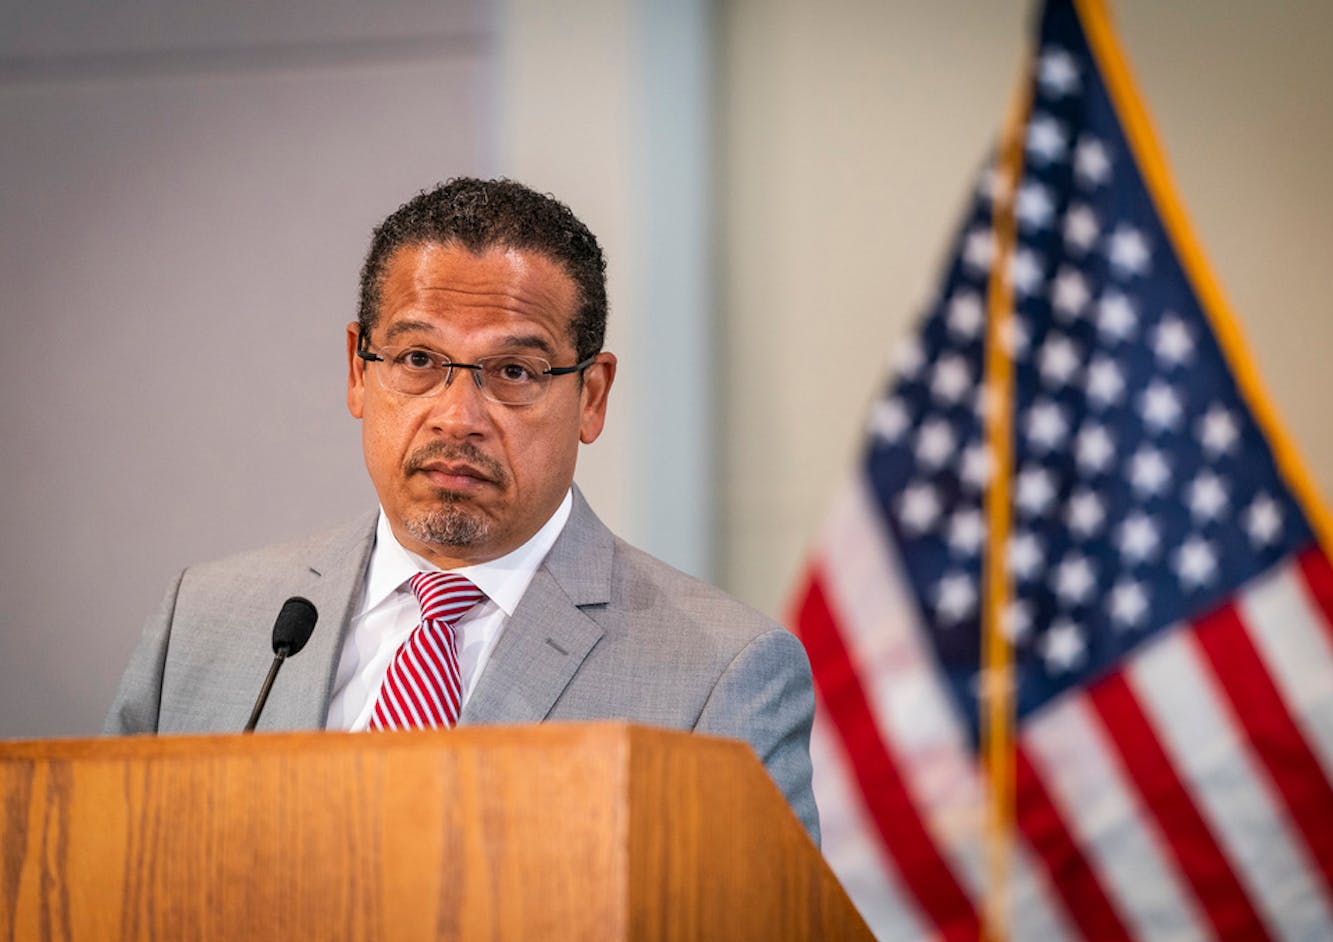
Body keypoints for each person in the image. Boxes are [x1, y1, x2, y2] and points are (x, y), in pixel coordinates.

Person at [104, 177, 818, 842]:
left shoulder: (720, 676)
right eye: (418, 360)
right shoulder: (206, 621)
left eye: (514, 372)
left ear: (591, 398)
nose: (457, 417)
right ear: (358, 371)